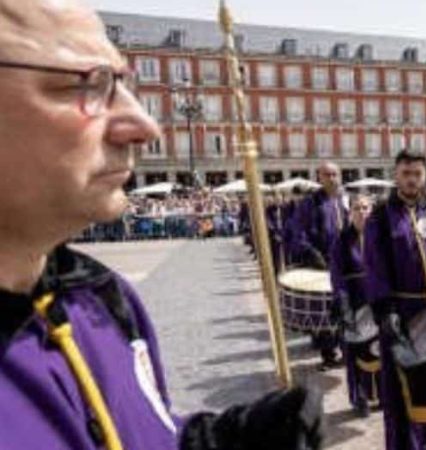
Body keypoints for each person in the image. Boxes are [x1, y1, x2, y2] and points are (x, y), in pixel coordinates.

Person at [0, 1, 322, 448]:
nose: (145, 125)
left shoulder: (100, 296)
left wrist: (228, 440)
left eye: (121, 82)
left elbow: (148, 434)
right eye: (87, 82)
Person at [364, 150, 426, 450]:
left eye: (417, 173)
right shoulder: (380, 217)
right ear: (396, 175)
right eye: (406, 173)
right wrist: (385, 310)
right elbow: (374, 267)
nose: (412, 180)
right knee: (405, 394)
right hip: (403, 316)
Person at [289, 162, 348, 369]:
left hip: (345, 264)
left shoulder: (344, 200)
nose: (332, 178)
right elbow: (298, 232)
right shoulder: (310, 203)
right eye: (327, 174)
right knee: (323, 312)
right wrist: (311, 252)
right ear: (319, 177)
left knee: (346, 309)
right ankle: (328, 354)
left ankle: (346, 351)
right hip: (320, 264)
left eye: (335, 174)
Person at [328, 195, 381, 417]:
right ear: (350, 212)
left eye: (366, 208)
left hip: (377, 304)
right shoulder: (341, 240)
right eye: (357, 208)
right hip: (353, 304)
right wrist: (344, 304)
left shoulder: (379, 237)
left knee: (379, 353)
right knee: (355, 355)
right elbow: (337, 275)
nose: (362, 212)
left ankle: (380, 396)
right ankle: (360, 398)